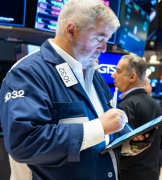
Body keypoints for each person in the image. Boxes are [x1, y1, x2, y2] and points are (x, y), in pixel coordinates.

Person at [0, 0, 145, 179]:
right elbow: (24, 143)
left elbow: (106, 120)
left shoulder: (94, 74)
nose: (104, 48)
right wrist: (99, 127)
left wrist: (127, 138)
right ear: (71, 30)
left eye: (107, 40)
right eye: (99, 38)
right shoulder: (28, 72)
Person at [112, 54, 162, 180]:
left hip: (129, 174)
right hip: (152, 171)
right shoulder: (158, 106)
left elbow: (120, 148)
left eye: (118, 71)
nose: (113, 75)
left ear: (132, 76)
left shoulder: (125, 106)